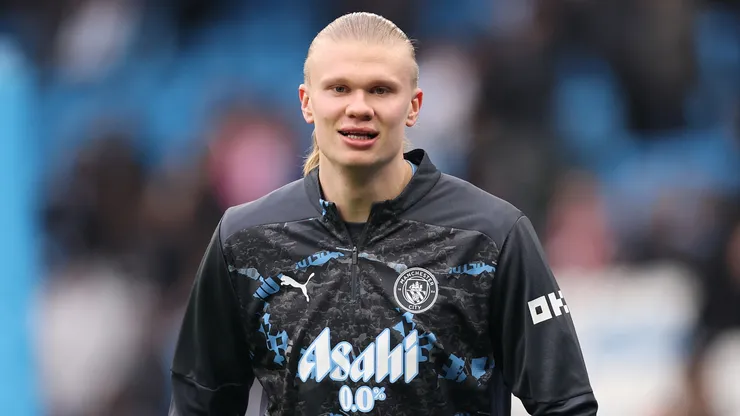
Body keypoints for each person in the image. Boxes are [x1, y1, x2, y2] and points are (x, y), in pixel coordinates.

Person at [169, 12, 598, 416]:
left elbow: (565, 404)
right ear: (306, 102)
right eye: (339, 88)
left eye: (380, 89)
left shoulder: (492, 236)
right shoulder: (244, 238)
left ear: (413, 105)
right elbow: (198, 403)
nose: (359, 107)